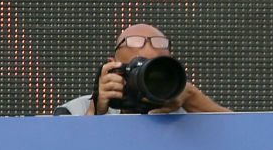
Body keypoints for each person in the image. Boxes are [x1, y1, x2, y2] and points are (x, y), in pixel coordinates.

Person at [55, 23, 230, 115]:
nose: (145, 80)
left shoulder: (187, 115)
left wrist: (192, 98)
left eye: (155, 70)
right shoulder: (75, 111)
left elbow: (245, 141)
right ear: (112, 68)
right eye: (135, 68)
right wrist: (97, 112)